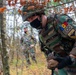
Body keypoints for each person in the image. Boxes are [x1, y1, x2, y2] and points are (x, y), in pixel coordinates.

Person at [21, 2, 76, 75]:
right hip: (64, 67)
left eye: (32, 18)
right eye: (29, 20)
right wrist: (52, 62)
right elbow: (48, 53)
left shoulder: (60, 21)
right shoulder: (41, 35)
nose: (31, 22)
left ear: (40, 14)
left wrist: (71, 57)